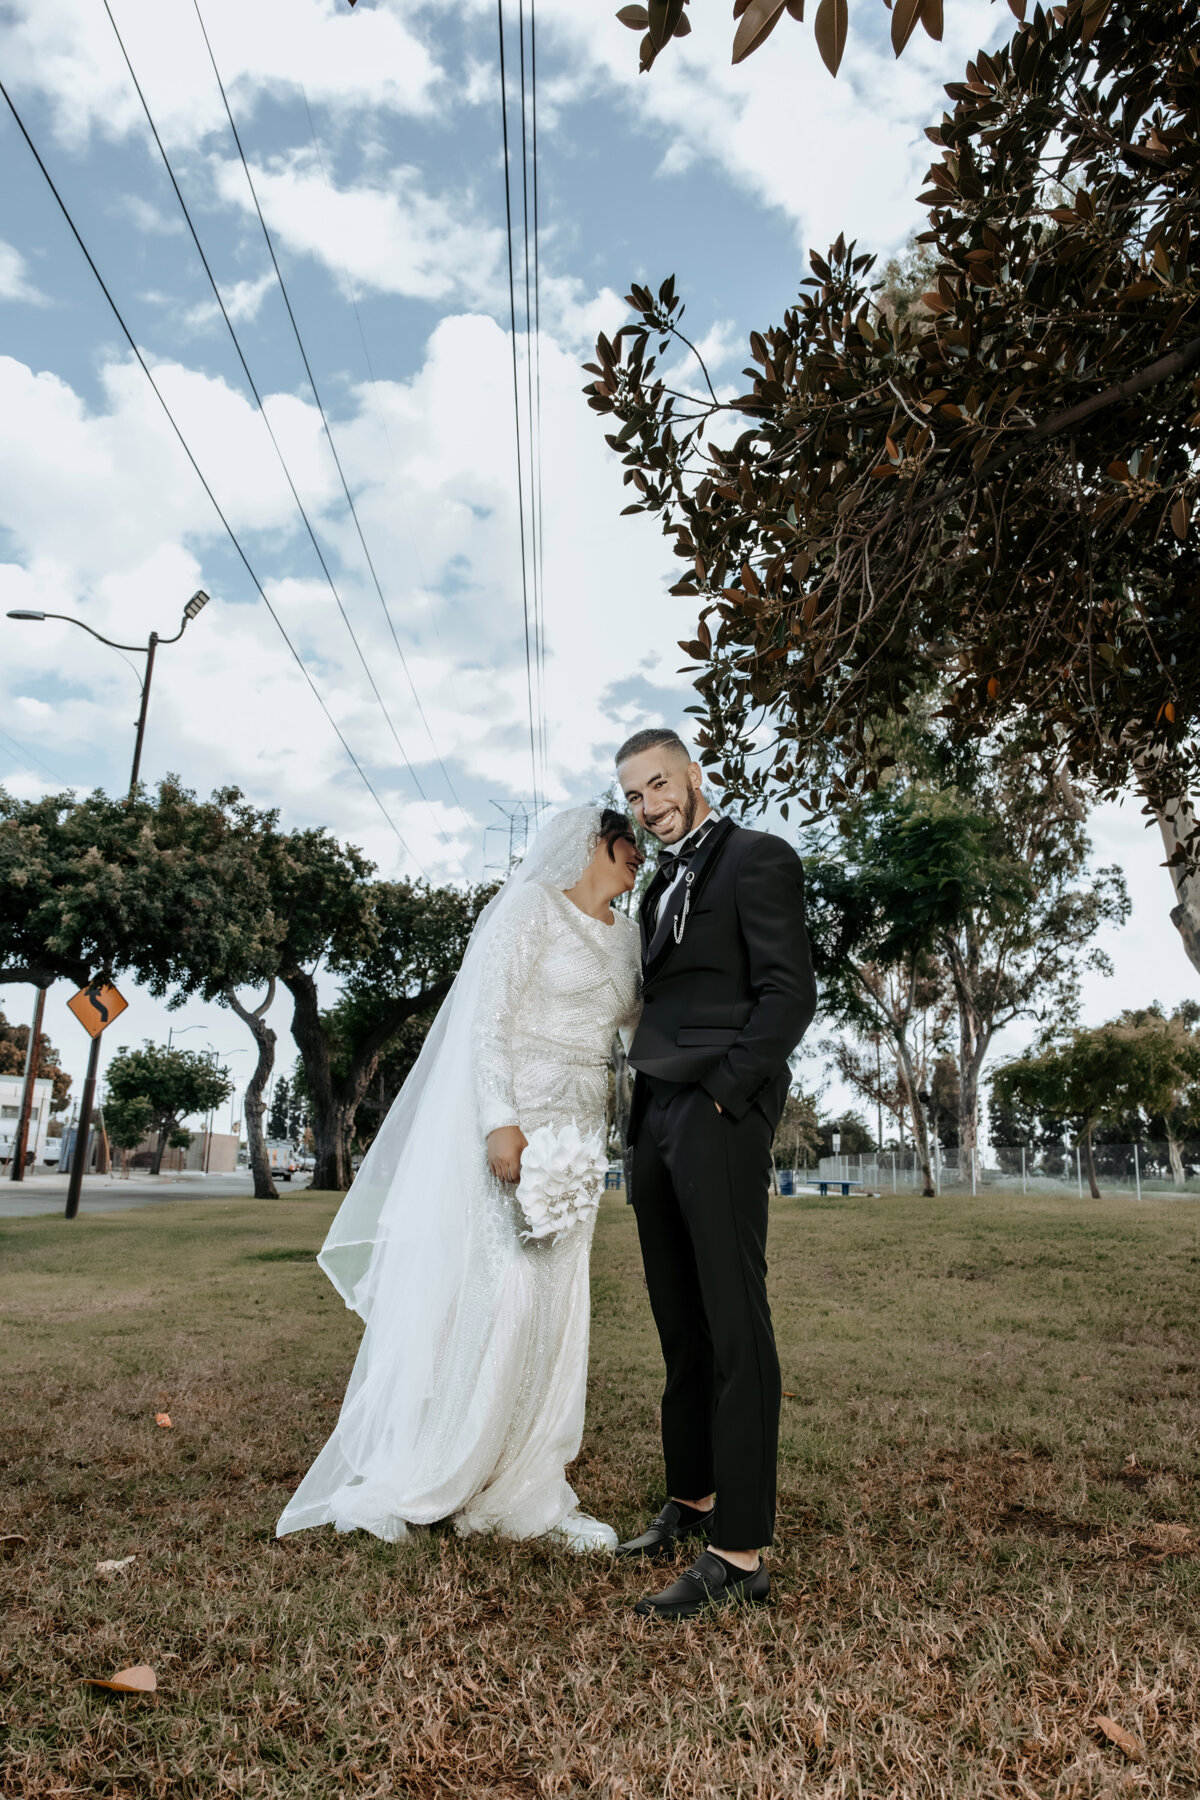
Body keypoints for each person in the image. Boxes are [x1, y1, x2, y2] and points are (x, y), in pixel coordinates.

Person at [277, 806, 643, 1552]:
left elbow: (639, 1026)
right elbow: (487, 1020)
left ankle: (525, 1483)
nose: (640, 853)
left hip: (581, 1132)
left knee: (557, 1306)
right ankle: (437, 1469)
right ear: (593, 843)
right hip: (521, 1120)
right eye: (628, 840)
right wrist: (499, 1120)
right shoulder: (532, 909)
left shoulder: (631, 937)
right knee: (499, 1292)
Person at [614, 728, 816, 1619]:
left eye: (659, 784)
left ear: (693, 775)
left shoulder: (757, 857)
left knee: (734, 1325)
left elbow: (789, 993)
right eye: (634, 796)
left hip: (717, 1112)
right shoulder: (659, 883)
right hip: (653, 1114)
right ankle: (692, 1499)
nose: (649, 806)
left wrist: (727, 1096)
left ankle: (739, 1553)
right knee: (680, 1324)